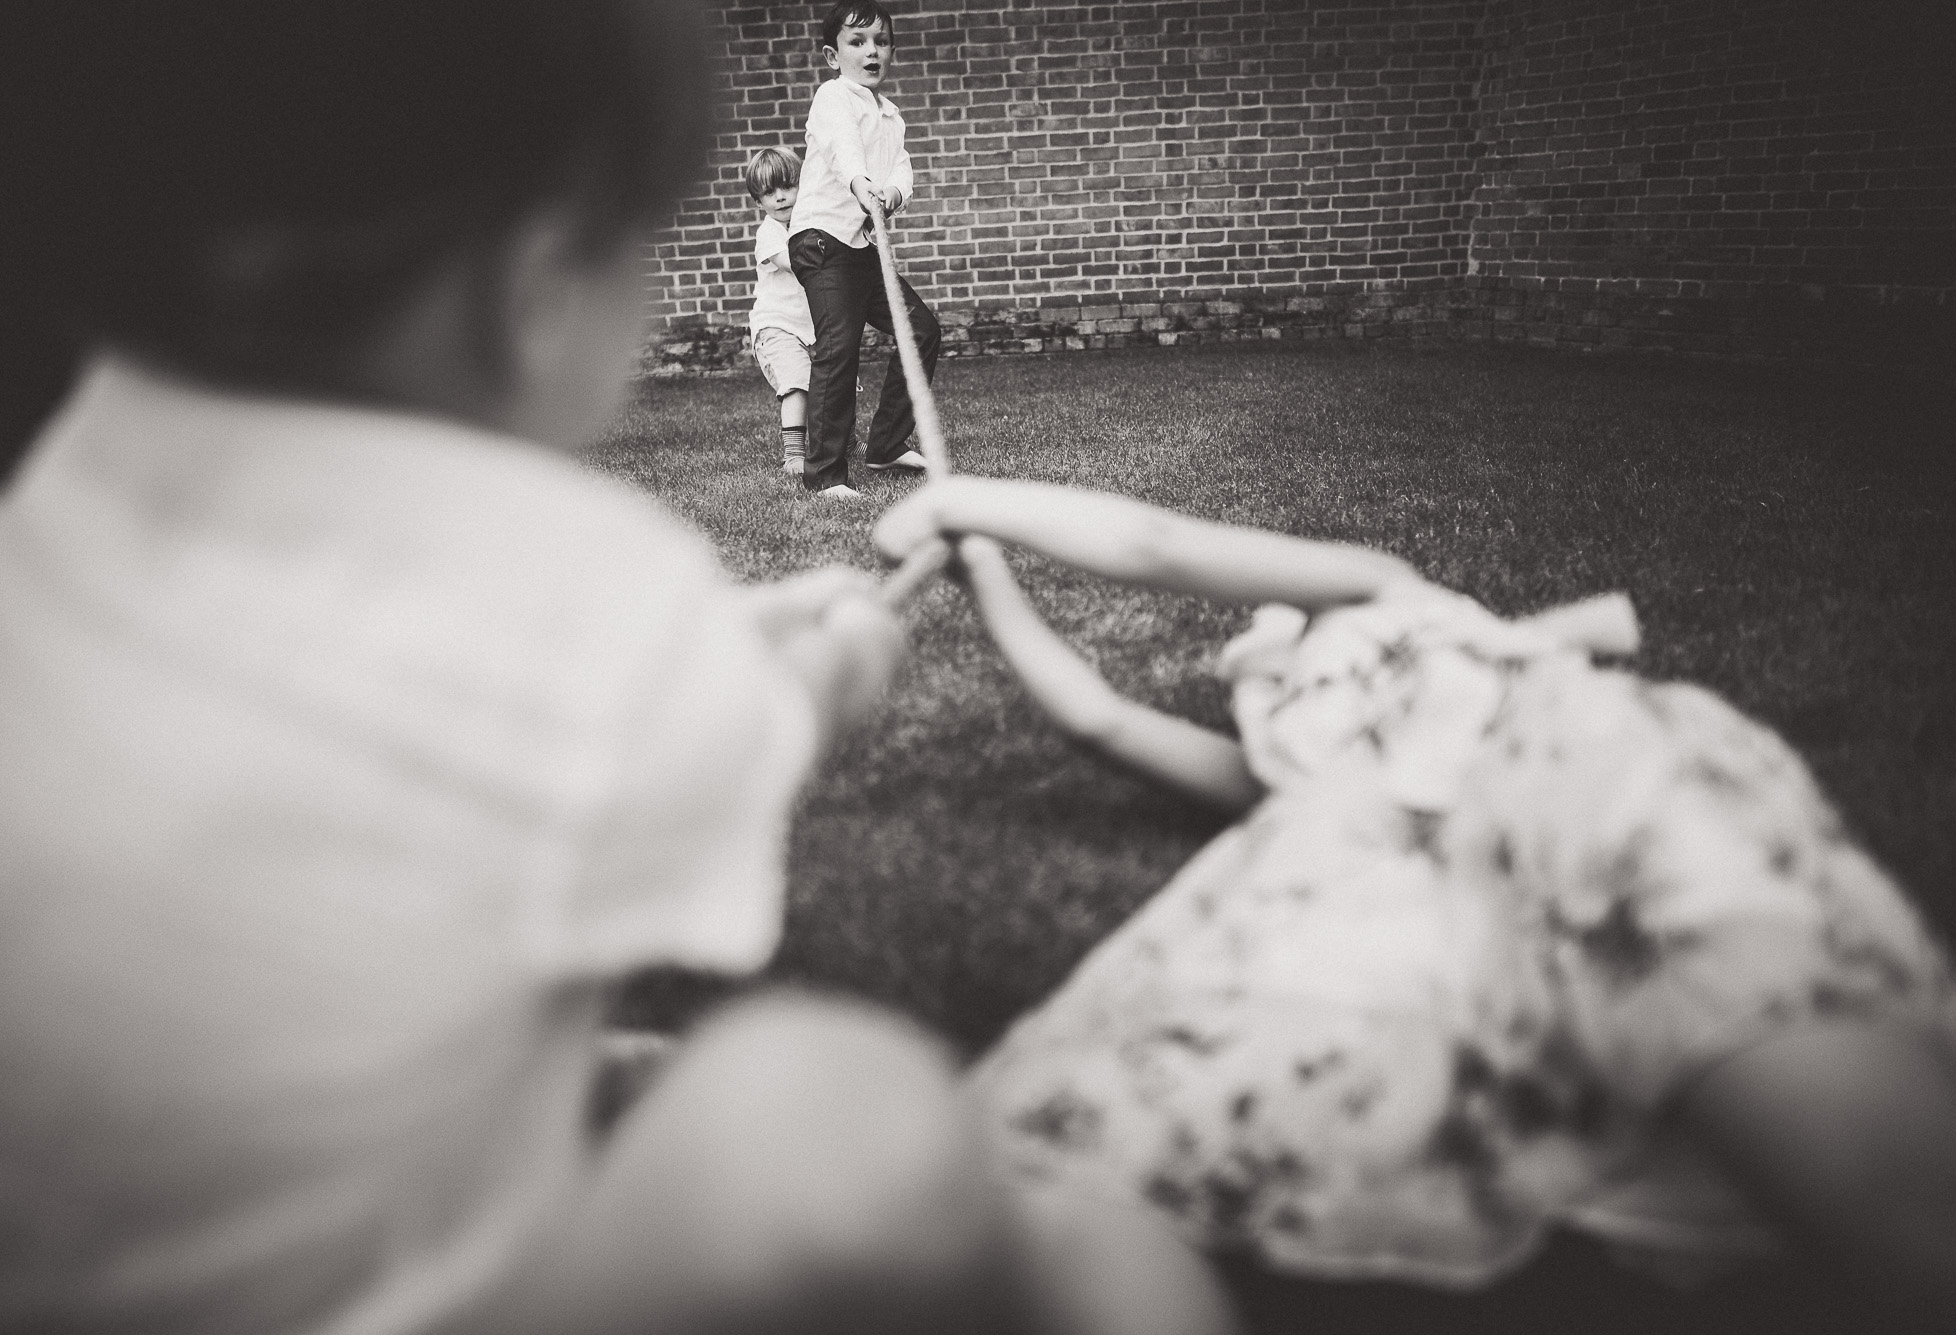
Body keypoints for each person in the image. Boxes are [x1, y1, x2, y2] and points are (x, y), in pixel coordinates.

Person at [0, 8, 1233, 1335]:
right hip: (408, 1294)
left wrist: (723, 641)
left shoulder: (53, 495)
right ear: (535, 295)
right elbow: (763, 726)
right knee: (858, 1123)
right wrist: (842, 657)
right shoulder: (592, 594)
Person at [875, 477, 1956, 1330]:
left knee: (1736, 987)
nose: (1249, 635)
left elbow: (1156, 545)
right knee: (1097, 1124)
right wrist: (988, 577)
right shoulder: (1290, 784)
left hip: (1552, 765)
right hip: (1382, 868)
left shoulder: (1390, 597)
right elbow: (1096, 722)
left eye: (1267, 621)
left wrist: (972, 497)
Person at [787, 0, 941, 499]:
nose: (871, 51)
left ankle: (886, 445)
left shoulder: (891, 116)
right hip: (822, 241)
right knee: (839, 349)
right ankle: (825, 475)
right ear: (834, 56)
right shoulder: (833, 98)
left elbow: (902, 169)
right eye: (858, 42)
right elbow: (841, 148)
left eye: (881, 41)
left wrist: (891, 193)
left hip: (860, 247)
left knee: (921, 330)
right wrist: (859, 183)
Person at [743, 146, 815, 476]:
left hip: (811, 327)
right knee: (797, 383)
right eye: (770, 193)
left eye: (788, 187)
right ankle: (794, 454)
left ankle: (845, 441)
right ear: (759, 202)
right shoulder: (769, 234)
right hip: (777, 326)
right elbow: (795, 264)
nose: (781, 198)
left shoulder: (808, 222)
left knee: (836, 384)